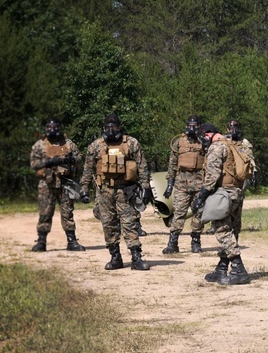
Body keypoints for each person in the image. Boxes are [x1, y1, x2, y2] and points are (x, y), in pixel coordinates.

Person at [78, 114, 155, 271]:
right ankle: (115, 257)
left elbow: (142, 166)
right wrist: (84, 188)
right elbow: (87, 168)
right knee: (108, 224)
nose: (111, 130)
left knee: (129, 223)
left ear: (119, 127)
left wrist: (146, 188)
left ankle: (136, 257)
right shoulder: (95, 146)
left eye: (114, 126)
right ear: (104, 128)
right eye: (107, 127)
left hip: (126, 190)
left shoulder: (131, 143)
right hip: (104, 190)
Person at [193, 123, 251, 285]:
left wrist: (201, 197)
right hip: (236, 192)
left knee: (222, 230)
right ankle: (222, 268)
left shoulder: (216, 147)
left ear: (207, 134)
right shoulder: (234, 145)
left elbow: (212, 175)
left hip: (223, 193)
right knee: (232, 230)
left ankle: (239, 270)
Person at [28, 117, 86, 252]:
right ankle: (41, 241)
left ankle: (71, 241)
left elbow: (79, 157)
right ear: (46, 128)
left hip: (65, 183)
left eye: (55, 127)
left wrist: (70, 159)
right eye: (49, 127)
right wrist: (47, 162)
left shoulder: (68, 144)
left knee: (67, 212)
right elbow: (33, 163)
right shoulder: (39, 145)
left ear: (60, 128)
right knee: (45, 212)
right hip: (47, 184)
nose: (52, 130)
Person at [162, 115, 206, 255]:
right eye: (189, 125)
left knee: (199, 213)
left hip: (200, 183)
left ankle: (196, 240)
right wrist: (170, 184)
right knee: (179, 212)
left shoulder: (205, 142)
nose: (192, 128)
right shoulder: (179, 142)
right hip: (182, 183)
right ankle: (173, 243)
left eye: (195, 125)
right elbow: (172, 164)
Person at [225, 118, 256, 242]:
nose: (234, 129)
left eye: (236, 126)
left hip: (240, 177)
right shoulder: (223, 141)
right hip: (226, 178)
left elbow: (249, 158)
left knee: (237, 203)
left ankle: (235, 231)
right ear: (227, 129)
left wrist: (254, 173)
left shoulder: (244, 142)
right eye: (231, 127)